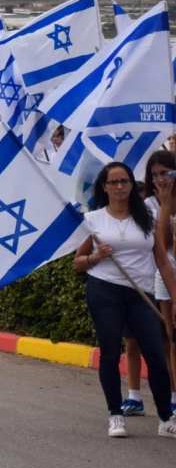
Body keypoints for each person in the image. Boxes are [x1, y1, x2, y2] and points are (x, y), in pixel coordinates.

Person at [73, 162, 176, 439]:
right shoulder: (93, 220)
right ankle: (115, 415)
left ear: (132, 185)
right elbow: (78, 263)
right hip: (105, 292)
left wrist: (174, 298)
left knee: (155, 355)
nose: (119, 187)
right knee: (109, 354)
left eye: (124, 181)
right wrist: (96, 257)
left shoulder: (148, 218)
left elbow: (163, 262)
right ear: (104, 187)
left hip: (141, 294)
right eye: (113, 182)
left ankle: (166, 418)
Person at [139, 150, 176, 416]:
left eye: (164, 173)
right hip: (167, 278)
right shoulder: (150, 204)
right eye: (154, 175)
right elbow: (164, 243)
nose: (160, 179)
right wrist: (164, 205)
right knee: (171, 340)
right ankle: (173, 396)